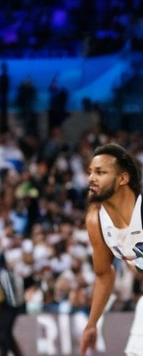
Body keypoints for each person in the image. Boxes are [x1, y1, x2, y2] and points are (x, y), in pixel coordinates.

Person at [82, 143, 143, 356]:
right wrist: (91, 324)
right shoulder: (96, 220)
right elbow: (104, 274)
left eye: (100, 172)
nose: (91, 178)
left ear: (123, 179)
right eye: (90, 172)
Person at [0, 256, 24, 356]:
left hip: (6, 306)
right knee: (7, 334)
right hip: (14, 307)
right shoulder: (8, 272)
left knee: (2, 335)